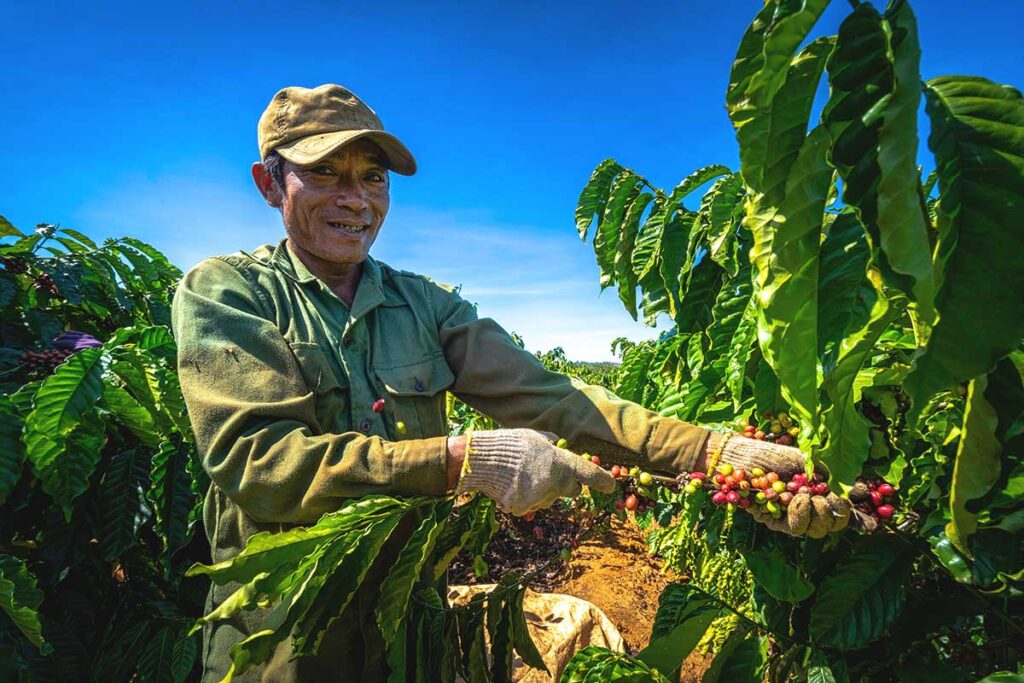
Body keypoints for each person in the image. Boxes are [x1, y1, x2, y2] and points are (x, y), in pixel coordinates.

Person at [171, 84, 854, 681]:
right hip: (282, 640)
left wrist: (710, 453)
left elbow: (555, 397)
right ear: (270, 183)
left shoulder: (425, 306)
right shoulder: (228, 294)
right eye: (325, 174)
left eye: (373, 177)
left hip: (413, 624)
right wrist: (464, 460)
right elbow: (262, 465)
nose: (357, 199)